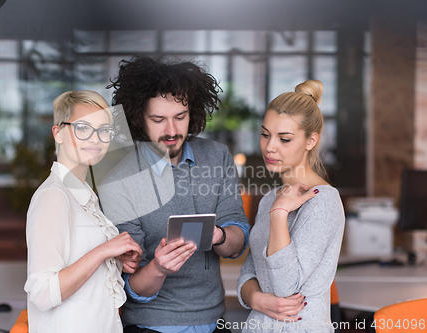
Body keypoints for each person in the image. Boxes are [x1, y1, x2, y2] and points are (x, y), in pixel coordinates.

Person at [97, 56, 251, 333]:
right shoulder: (118, 176)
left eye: (180, 117)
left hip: (214, 321)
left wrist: (219, 235)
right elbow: (128, 284)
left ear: (193, 113)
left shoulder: (217, 156)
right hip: (150, 324)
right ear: (138, 119)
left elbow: (237, 239)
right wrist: (159, 268)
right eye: (158, 119)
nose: (171, 131)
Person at [24, 90, 142, 333]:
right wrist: (104, 250)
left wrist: (115, 259)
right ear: (58, 133)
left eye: (103, 130)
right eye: (83, 128)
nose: (96, 139)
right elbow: (43, 292)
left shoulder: (85, 195)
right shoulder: (54, 196)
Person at [237, 80, 345, 333]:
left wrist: (279, 214)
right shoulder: (268, 199)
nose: (269, 147)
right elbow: (248, 274)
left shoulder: (323, 201)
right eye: (265, 134)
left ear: (311, 141)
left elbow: (286, 287)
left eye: (284, 139)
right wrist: (255, 299)